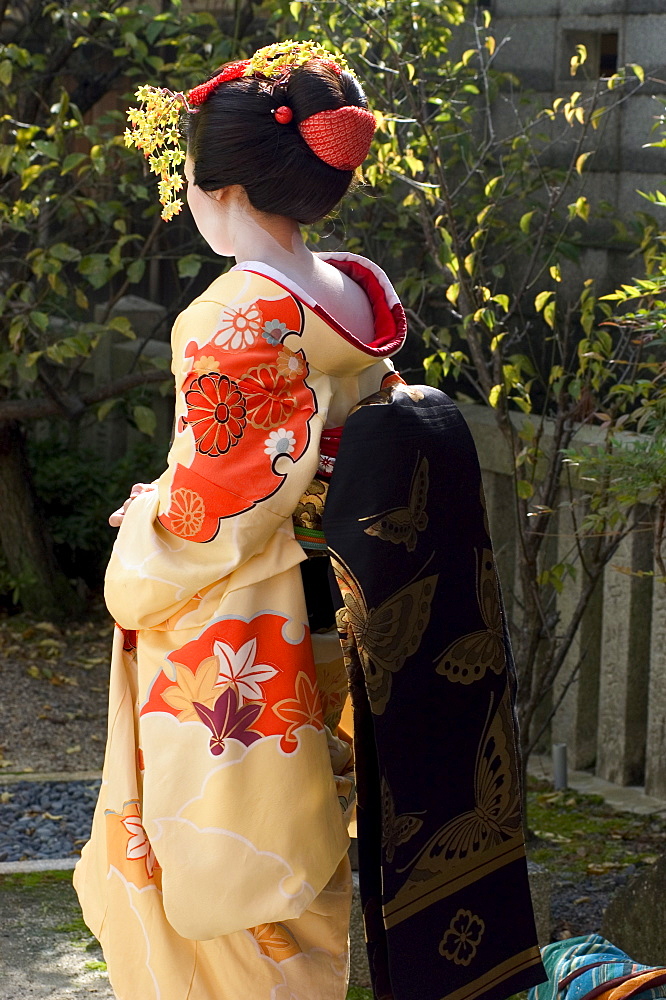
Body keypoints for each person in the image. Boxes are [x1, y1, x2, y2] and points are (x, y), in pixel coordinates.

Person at [75, 40, 545, 1000]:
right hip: (336, 610)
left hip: (239, 623)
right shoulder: (348, 289)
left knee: (220, 885)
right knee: (305, 853)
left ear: (220, 190)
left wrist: (142, 532)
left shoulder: (237, 310)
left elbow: (221, 511)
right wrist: (180, 495)